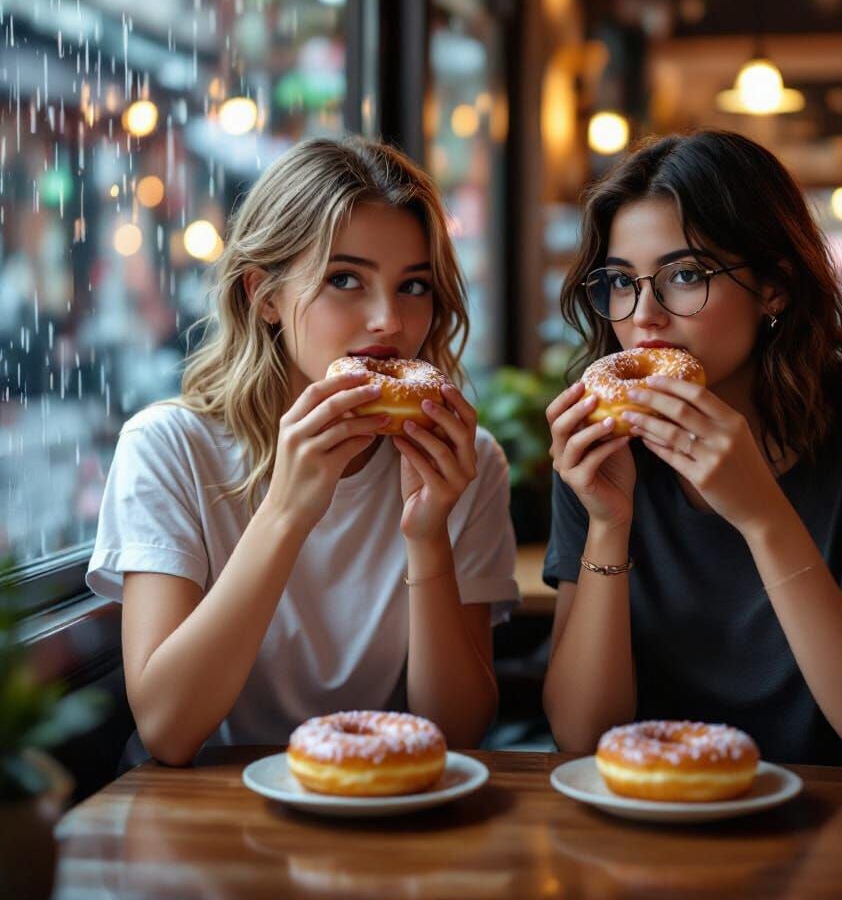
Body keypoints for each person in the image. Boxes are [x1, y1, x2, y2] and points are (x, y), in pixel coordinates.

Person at [542, 131, 842, 781]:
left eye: (685, 275)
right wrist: (608, 523)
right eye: (621, 283)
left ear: (773, 288)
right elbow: (582, 738)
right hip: (657, 835)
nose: (644, 317)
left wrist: (762, 516)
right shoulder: (605, 457)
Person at [86, 137, 519, 765]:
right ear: (264, 295)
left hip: (387, 807)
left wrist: (427, 536)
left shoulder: (464, 461)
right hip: (209, 814)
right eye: (345, 280)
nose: (389, 322)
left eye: (414, 287)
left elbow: (456, 734)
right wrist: (287, 510)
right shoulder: (169, 450)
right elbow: (168, 729)